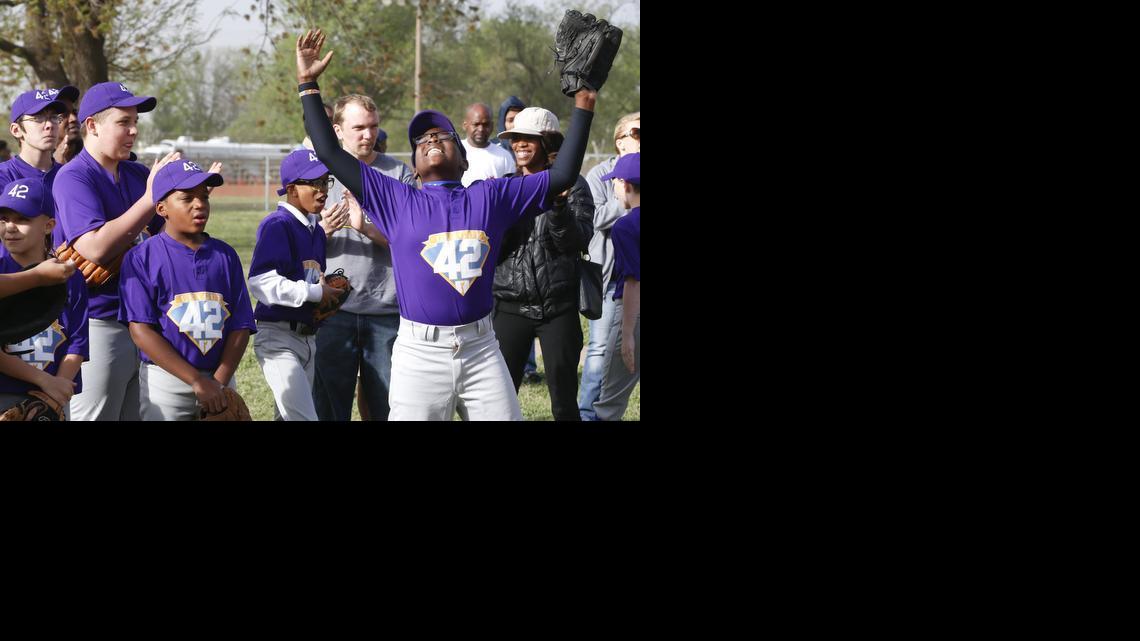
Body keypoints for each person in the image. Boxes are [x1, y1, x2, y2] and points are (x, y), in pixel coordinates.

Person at [296, 28, 598, 420]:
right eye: (422, 138)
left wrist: (585, 101)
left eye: (443, 134)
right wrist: (307, 83)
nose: (432, 138)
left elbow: (562, 176)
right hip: (419, 353)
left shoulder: (490, 196)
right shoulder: (395, 197)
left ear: (465, 160)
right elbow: (329, 152)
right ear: (415, 167)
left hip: (481, 349)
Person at [52, 81, 179, 421]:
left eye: (135, 121)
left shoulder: (138, 174)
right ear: (91, 125)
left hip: (146, 324)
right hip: (97, 323)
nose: (134, 130)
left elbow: (168, 242)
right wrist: (150, 200)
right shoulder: (73, 177)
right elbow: (94, 248)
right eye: (123, 122)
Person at [118, 160, 255, 421]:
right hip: (166, 381)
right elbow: (141, 330)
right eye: (187, 198)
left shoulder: (225, 255)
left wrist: (219, 382)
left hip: (219, 377)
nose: (199, 204)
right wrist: (195, 381)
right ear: (161, 208)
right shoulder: (141, 257)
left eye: (204, 196)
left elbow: (241, 325)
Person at [312, 93, 414, 422]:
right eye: (358, 128)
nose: (368, 135)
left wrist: (366, 228)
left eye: (373, 127)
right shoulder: (316, 174)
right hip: (332, 310)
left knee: (386, 405)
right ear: (337, 130)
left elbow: (414, 243)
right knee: (328, 405)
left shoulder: (398, 174)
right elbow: (287, 243)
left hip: (386, 309)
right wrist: (319, 233)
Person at [492, 107, 593, 421]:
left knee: (564, 403)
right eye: (515, 138)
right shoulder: (503, 187)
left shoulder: (574, 185)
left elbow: (575, 242)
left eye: (528, 138)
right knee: (499, 399)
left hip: (558, 308)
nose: (519, 144)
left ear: (548, 142)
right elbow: (493, 249)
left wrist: (558, 206)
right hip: (509, 307)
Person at [248, 149, 345, 421]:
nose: (322, 190)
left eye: (325, 181)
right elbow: (261, 281)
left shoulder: (314, 227)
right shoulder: (278, 224)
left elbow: (310, 280)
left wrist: (324, 293)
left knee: (287, 417)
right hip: (278, 339)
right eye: (313, 183)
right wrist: (315, 292)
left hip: (307, 338)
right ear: (291, 188)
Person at [0, 177, 88, 418]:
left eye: (23, 219)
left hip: (57, 394)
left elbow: (78, 341)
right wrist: (45, 381)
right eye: (4, 218)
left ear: (49, 225)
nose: (10, 227)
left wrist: (57, 389)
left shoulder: (70, 275)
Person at [579, 111, 640, 421]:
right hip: (608, 279)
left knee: (622, 355)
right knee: (599, 352)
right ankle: (588, 413)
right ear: (620, 141)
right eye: (637, 133)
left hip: (631, 286)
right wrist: (626, 199)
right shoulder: (600, 174)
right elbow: (595, 216)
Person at [594, 153, 640, 421]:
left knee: (610, 403)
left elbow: (634, 281)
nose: (612, 187)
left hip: (634, 315)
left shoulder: (625, 226)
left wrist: (627, 333)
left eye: (614, 181)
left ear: (626, 184)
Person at [1, 88, 70, 249]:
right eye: (37, 118)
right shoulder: (3, 176)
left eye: (54, 117)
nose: (49, 125)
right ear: (16, 130)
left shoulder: (70, 175)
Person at [460, 103, 515, 187]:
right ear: (465, 125)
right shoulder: (456, 151)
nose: (481, 129)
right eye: (476, 124)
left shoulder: (504, 156)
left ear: (492, 126)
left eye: (486, 125)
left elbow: (511, 188)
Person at [50, 86, 83, 165]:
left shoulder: (92, 155)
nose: (73, 119)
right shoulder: (39, 165)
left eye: (74, 113)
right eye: (64, 115)